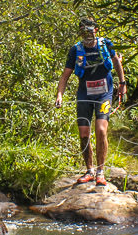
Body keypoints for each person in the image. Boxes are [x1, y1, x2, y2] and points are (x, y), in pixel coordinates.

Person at [54, 18, 127, 186]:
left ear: (96, 30)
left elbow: (116, 62)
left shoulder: (106, 44)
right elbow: (65, 75)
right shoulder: (75, 50)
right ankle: (89, 170)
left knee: (101, 130)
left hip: (104, 94)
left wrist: (122, 83)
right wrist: (59, 94)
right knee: (84, 134)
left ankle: (100, 172)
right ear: (80, 33)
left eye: (90, 31)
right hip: (84, 95)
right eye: (84, 32)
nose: (87, 35)